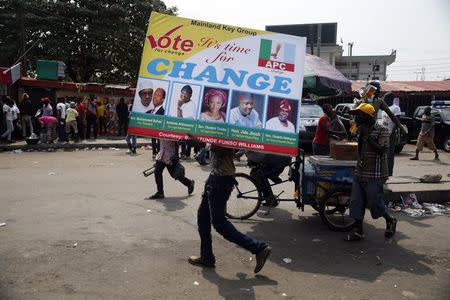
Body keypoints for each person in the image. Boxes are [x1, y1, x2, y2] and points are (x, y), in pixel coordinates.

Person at [186, 134, 272, 273]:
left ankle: (258, 248)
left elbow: (222, 149)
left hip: (220, 180)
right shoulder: (219, 129)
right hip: (215, 177)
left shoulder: (227, 132)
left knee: (219, 223)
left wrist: (200, 142)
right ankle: (207, 257)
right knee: (203, 218)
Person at [345, 103, 397, 241]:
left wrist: (367, 137)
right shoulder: (361, 129)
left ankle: (390, 220)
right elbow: (360, 149)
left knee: (375, 203)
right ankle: (359, 231)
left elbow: (382, 150)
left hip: (375, 173)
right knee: (356, 202)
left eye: (359, 115)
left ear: (368, 116)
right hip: (360, 171)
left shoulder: (382, 130)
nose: (356, 117)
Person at [382, 97, 402, 175]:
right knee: (384, 153)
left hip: (391, 133)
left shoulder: (396, 108)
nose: (384, 100)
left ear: (390, 99)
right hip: (383, 133)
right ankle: (384, 170)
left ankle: (389, 171)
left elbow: (397, 121)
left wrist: (392, 132)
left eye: (386, 99)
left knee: (390, 153)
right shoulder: (384, 108)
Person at [147, 88, 166, 158]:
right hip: (152, 130)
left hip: (159, 131)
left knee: (159, 141)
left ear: (163, 99)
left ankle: (158, 153)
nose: (154, 97)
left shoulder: (163, 112)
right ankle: (154, 152)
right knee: (153, 140)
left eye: (158, 95)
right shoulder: (148, 112)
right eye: (154, 94)